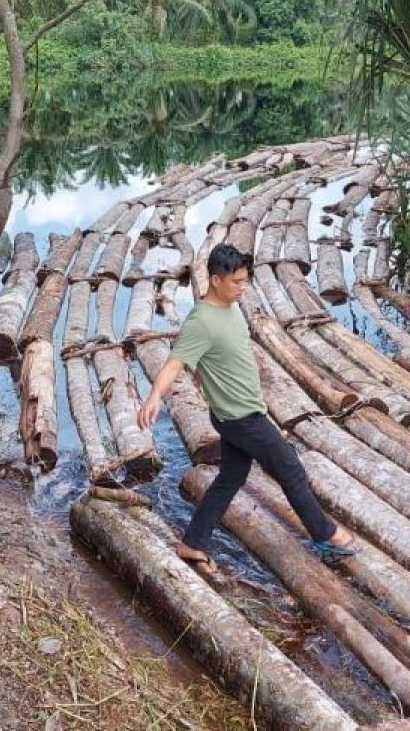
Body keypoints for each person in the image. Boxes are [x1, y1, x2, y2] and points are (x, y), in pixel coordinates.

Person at [137, 243, 356, 574]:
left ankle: (192, 543)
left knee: (230, 478)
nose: (243, 287)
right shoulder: (201, 321)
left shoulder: (230, 306)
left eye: (245, 280)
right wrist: (153, 398)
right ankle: (325, 534)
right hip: (241, 419)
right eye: (236, 281)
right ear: (214, 280)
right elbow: (174, 363)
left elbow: (227, 351)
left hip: (240, 413)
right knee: (290, 468)